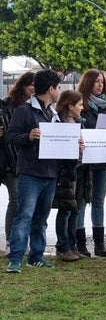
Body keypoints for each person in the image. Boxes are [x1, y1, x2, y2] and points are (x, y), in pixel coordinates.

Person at [6, 69, 62, 272]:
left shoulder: (54, 114)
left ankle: (36, 256)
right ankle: (15, 258)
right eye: (58, 88)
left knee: (41, 219)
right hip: (30, 173)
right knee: (24, 215)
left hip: (50, 173)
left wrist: (76, 145)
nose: (59, 92)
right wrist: (28, 136)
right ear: (51, 89)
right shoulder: (24, 111)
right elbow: (10, 136)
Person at [75, 69, 106, 257]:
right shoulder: (80, 105)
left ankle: (99, 243)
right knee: (82, 201)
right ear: (88, 83)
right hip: (85, 162)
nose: (100, 85)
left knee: (99, 201)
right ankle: (80, 243)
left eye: (102, 82)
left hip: (104, 161)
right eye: (96, 81)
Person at [0, 71, 34, 252]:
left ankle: (20, 239)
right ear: (22, 85)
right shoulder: (7, 105)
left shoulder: (39, 107)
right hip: (9, 160)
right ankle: (10, 240)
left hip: (26, 161)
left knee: (24, 201)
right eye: (31, 85)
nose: (34, 88)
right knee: (16, 198)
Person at [53, 90, 85, 262]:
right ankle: (63, 246)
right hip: (66, 172)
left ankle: (72, 245)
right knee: (65, 209)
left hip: (77, 170)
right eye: (79, 104)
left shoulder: (78, 123)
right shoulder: (59, 123)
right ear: (70, 106)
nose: (82, 107)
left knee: (74, 209)